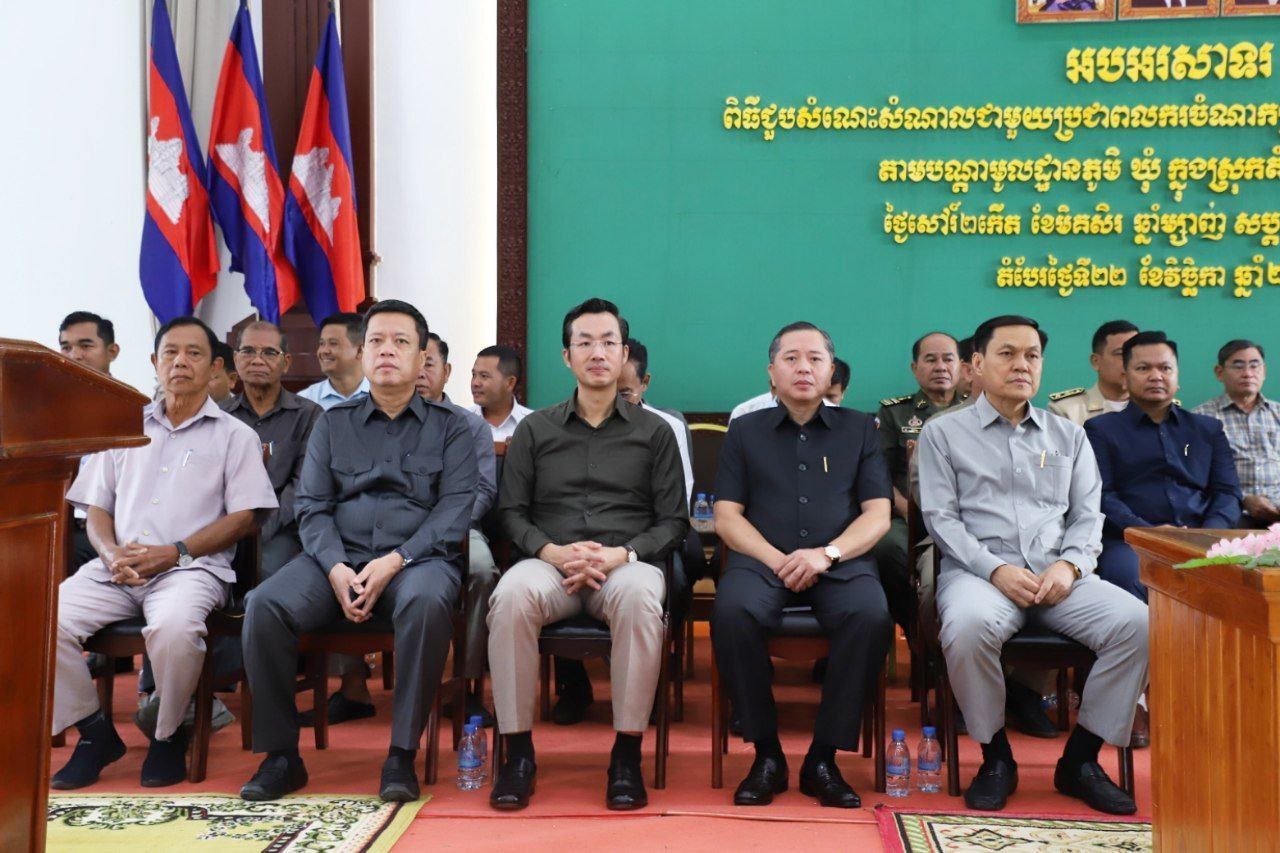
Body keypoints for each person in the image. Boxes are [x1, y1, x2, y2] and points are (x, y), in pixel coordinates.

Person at [239, 299, 479, 804]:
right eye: (376, 341)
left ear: (422, 359)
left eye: (401, 342)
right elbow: (311, 505)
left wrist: (396, 560)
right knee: (265, 605)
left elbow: (454, 510)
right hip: (337, 559)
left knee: (427, 602)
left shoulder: (452, 426)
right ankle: (281, 756)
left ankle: (401, 754)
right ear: (362, 353)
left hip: (417, 562)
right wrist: (333, 567)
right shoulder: (332, 423)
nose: (387, 350)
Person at [918, 314, 1148, 815]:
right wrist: (995, 570)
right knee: (968, 626)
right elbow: (941, 519)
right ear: (977, 363)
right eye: (1007, 354)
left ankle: (1081, 760)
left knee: (1138, 622)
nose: (1021, 364)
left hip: (1057, 576)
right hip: (980, 575)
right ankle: (995, 758)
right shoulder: (943, 433)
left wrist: (1070, 567)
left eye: (1032, 355)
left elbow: (1088, 517)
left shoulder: (1068, 436)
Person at [51, 316, 276, 789]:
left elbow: (245, 518)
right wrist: (109, 553)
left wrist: (174, 553)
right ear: (155, 362)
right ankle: (94, 733)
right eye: (170, 352)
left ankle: (168, 735)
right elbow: (95, 508)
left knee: (175, 629)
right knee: (42, 620)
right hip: (117, 567)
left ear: (215, 367)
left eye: (194, 353)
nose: (180, 362)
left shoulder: (235, 436)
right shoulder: (123, 427)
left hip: (190, 569)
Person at [487, 298, 687, 812]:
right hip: (549, 563)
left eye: (608, 343)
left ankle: (626, 756)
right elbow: (510, 512)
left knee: (641, 599)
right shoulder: (535, 430)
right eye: (585, 343)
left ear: (624, 354)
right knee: (510, 596)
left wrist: (624, 554)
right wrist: (552, 551)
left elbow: (673, 521)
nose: (597, 353)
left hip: (624, 565)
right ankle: (517, 755)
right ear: (566, 356)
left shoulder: (655, 432)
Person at [712, 322, 892, 809]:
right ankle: (766, 756)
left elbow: (878, 514)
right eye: (790, 358)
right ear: (771, 373)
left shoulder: (860, 428)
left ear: (832, 370)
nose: (804, 367)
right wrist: (776, 559)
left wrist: (826, 554)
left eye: (815, 358)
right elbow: (726, 516)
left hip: (839, 561)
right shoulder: (745, 431)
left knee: (870, 614)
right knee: (731, 612)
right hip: (762, 560)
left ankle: (823, 759)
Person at [1084, 331, 1242, 603]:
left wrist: (1207, 535)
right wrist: (1149, 533)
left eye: (1165, 368)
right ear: (1125, 377)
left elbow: (1227, 493)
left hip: (1203, 537)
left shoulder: (1208, 429)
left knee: (1242, 582)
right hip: (1131, 541)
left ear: (1177, 377)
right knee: (1136, 580)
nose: (1156, 376)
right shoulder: (1101, 430)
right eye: (1143, 368)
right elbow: (1103, 496)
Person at [415, 332, 500, 725]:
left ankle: (467, 682)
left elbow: (483, 490)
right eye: (414, 363)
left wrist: (444, 528)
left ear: (446, 372)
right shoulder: (382, 422)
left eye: (429, 364)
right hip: (396, 530)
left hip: (460, 528)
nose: (420, 372)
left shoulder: (471, 426)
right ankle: (353, 686)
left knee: (482, 571)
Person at [873, 333, 965, 640]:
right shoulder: (895, 412)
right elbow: (878, 473)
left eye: (948, 359)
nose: (940, 366)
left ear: (962, 365)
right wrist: (906, 509)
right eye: (930, 359)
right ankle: (916, 632)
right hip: (907, 515)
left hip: (964, 516)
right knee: (886, 548)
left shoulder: (975, 410)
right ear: (915, 368)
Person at [222, 321, 323, 576]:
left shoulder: (309, 415)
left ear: (286, 362)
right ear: (236, 359)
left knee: (262, 571)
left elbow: (301, 486)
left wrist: (255, 530)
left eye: (269, 352)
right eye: (248, 351)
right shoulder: (219, 417)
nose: (257, 360)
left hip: (282, 528)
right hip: (223, 525)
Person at [1194, 340, 1280, 527]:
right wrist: (1244, 499)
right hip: (1230, 513)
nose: (1248, 373)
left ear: (1264, 371)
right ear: (1219, 372)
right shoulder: (1201, 417)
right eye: (1238, 366)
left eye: (1254, 366)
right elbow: (1195, 478)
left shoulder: (1278, 413)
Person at [58, 312, 121, 570]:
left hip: (105, 531)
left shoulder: (134, 412)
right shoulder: (49, 410)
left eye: (85, 346)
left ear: (112, 351)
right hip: (53, 521)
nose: (75, 356)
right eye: (66, 347)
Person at [1048, 320, 1138, 426]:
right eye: (1120, 354)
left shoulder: (1153, 407)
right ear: (1096, 361)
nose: (1132, 361)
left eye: (1136, 354)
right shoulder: (1065, 409)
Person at [299, 312, 370, 409]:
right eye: (322, 343)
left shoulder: (384, 397)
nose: (324, 351)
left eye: (333, 343)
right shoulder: (306, 400)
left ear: (360, 351)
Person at [469, 344, 532, 441]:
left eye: (484, 376)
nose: (475, 383)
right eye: (474, 375)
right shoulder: (461, 422)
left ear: (510, 383)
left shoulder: (533, 424)